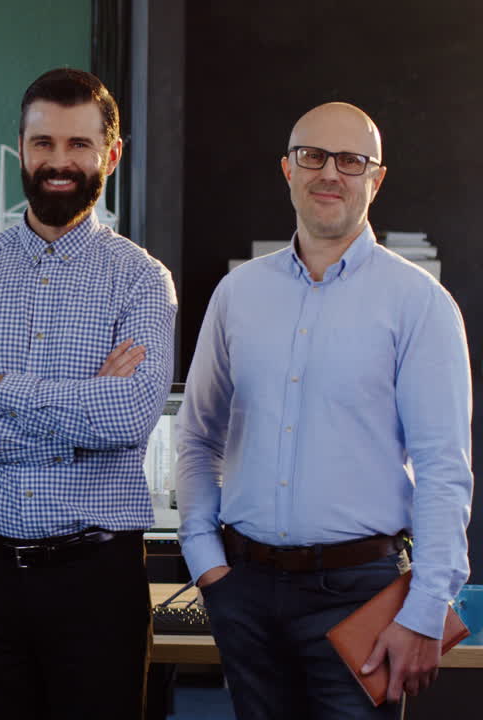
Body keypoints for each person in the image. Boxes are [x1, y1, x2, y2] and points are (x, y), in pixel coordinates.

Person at [176, 102, 472, 718]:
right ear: (287, 169)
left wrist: (423, 610)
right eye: (312, 156)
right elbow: (197, 436)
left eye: (351, 160)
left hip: (361, 597)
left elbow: (443, 468)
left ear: (376, 178)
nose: (329, 172)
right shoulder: (238, 295)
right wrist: (207, 564)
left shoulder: (419, 304)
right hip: (245, 591)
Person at [0, 68, 176, 719]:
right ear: (22, 149)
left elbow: (131, 417)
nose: (60, 162)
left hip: (97, 579)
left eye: (79, 145)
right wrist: (82, 406)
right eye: (43, 144)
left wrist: (1, 389)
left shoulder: (141, 282)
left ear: (110, 155)